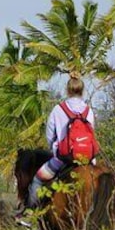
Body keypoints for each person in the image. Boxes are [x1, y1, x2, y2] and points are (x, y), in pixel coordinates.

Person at [27, 76, 96, 209]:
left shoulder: (58, 109)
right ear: (82, 91)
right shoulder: (89, 111)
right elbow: (91, 132)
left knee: (37, 180)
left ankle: (30, 215)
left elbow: (49, 135)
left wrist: (54, 148)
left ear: (67, 91)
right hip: (88, 159)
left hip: (63, 159)